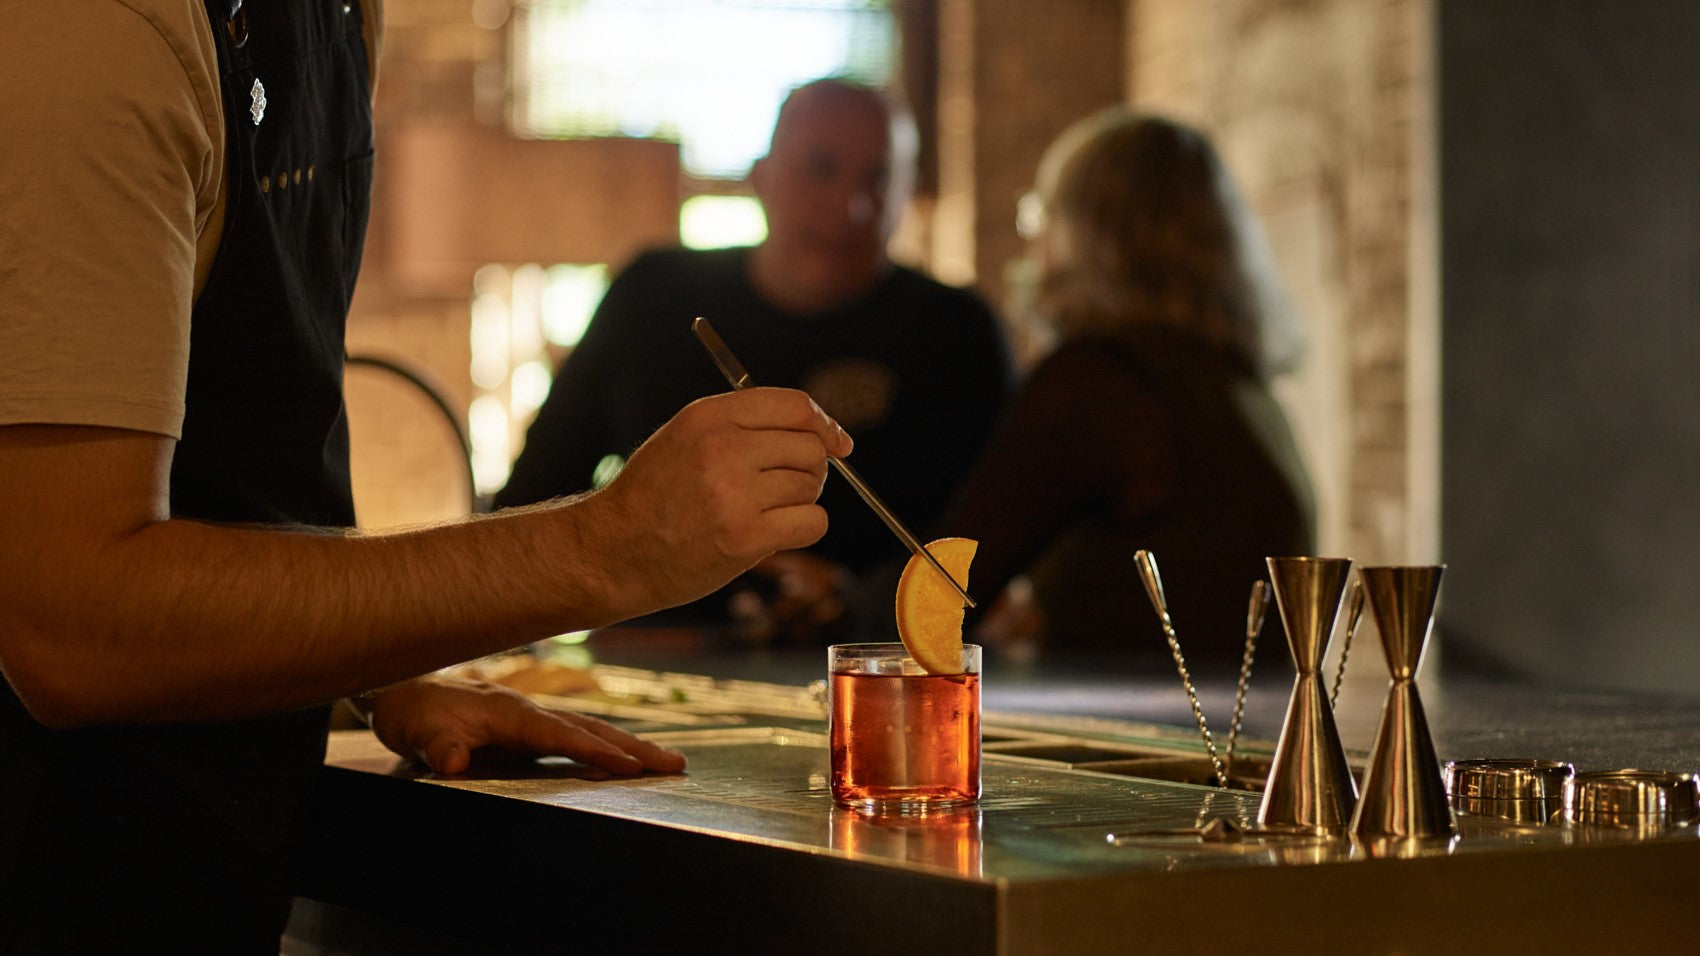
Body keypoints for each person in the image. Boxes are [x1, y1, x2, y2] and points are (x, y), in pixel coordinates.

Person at [0, 2, 851, 949]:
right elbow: (68, 621)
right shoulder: (97, 32)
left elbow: (249, 439)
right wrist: (605, 546)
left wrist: (376, 662)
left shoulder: (337, 22)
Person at [495, 77, 1014, 644]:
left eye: (878, 179)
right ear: (760, 178)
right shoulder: (654, 298)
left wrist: (855, 598)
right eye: (820, 168)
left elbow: (1005, 552)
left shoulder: (958, 330)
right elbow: (524, 516)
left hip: (888, 666)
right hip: (670, 655)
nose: (851, 206)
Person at [894, 109, 1317, 670]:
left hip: (1144, 746)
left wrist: (833, 607)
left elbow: (943, 591)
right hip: (1249, 736)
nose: (1035, 237)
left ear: (1083, 234)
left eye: (1040, 214)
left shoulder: (1101, 380)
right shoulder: (1238, 383)